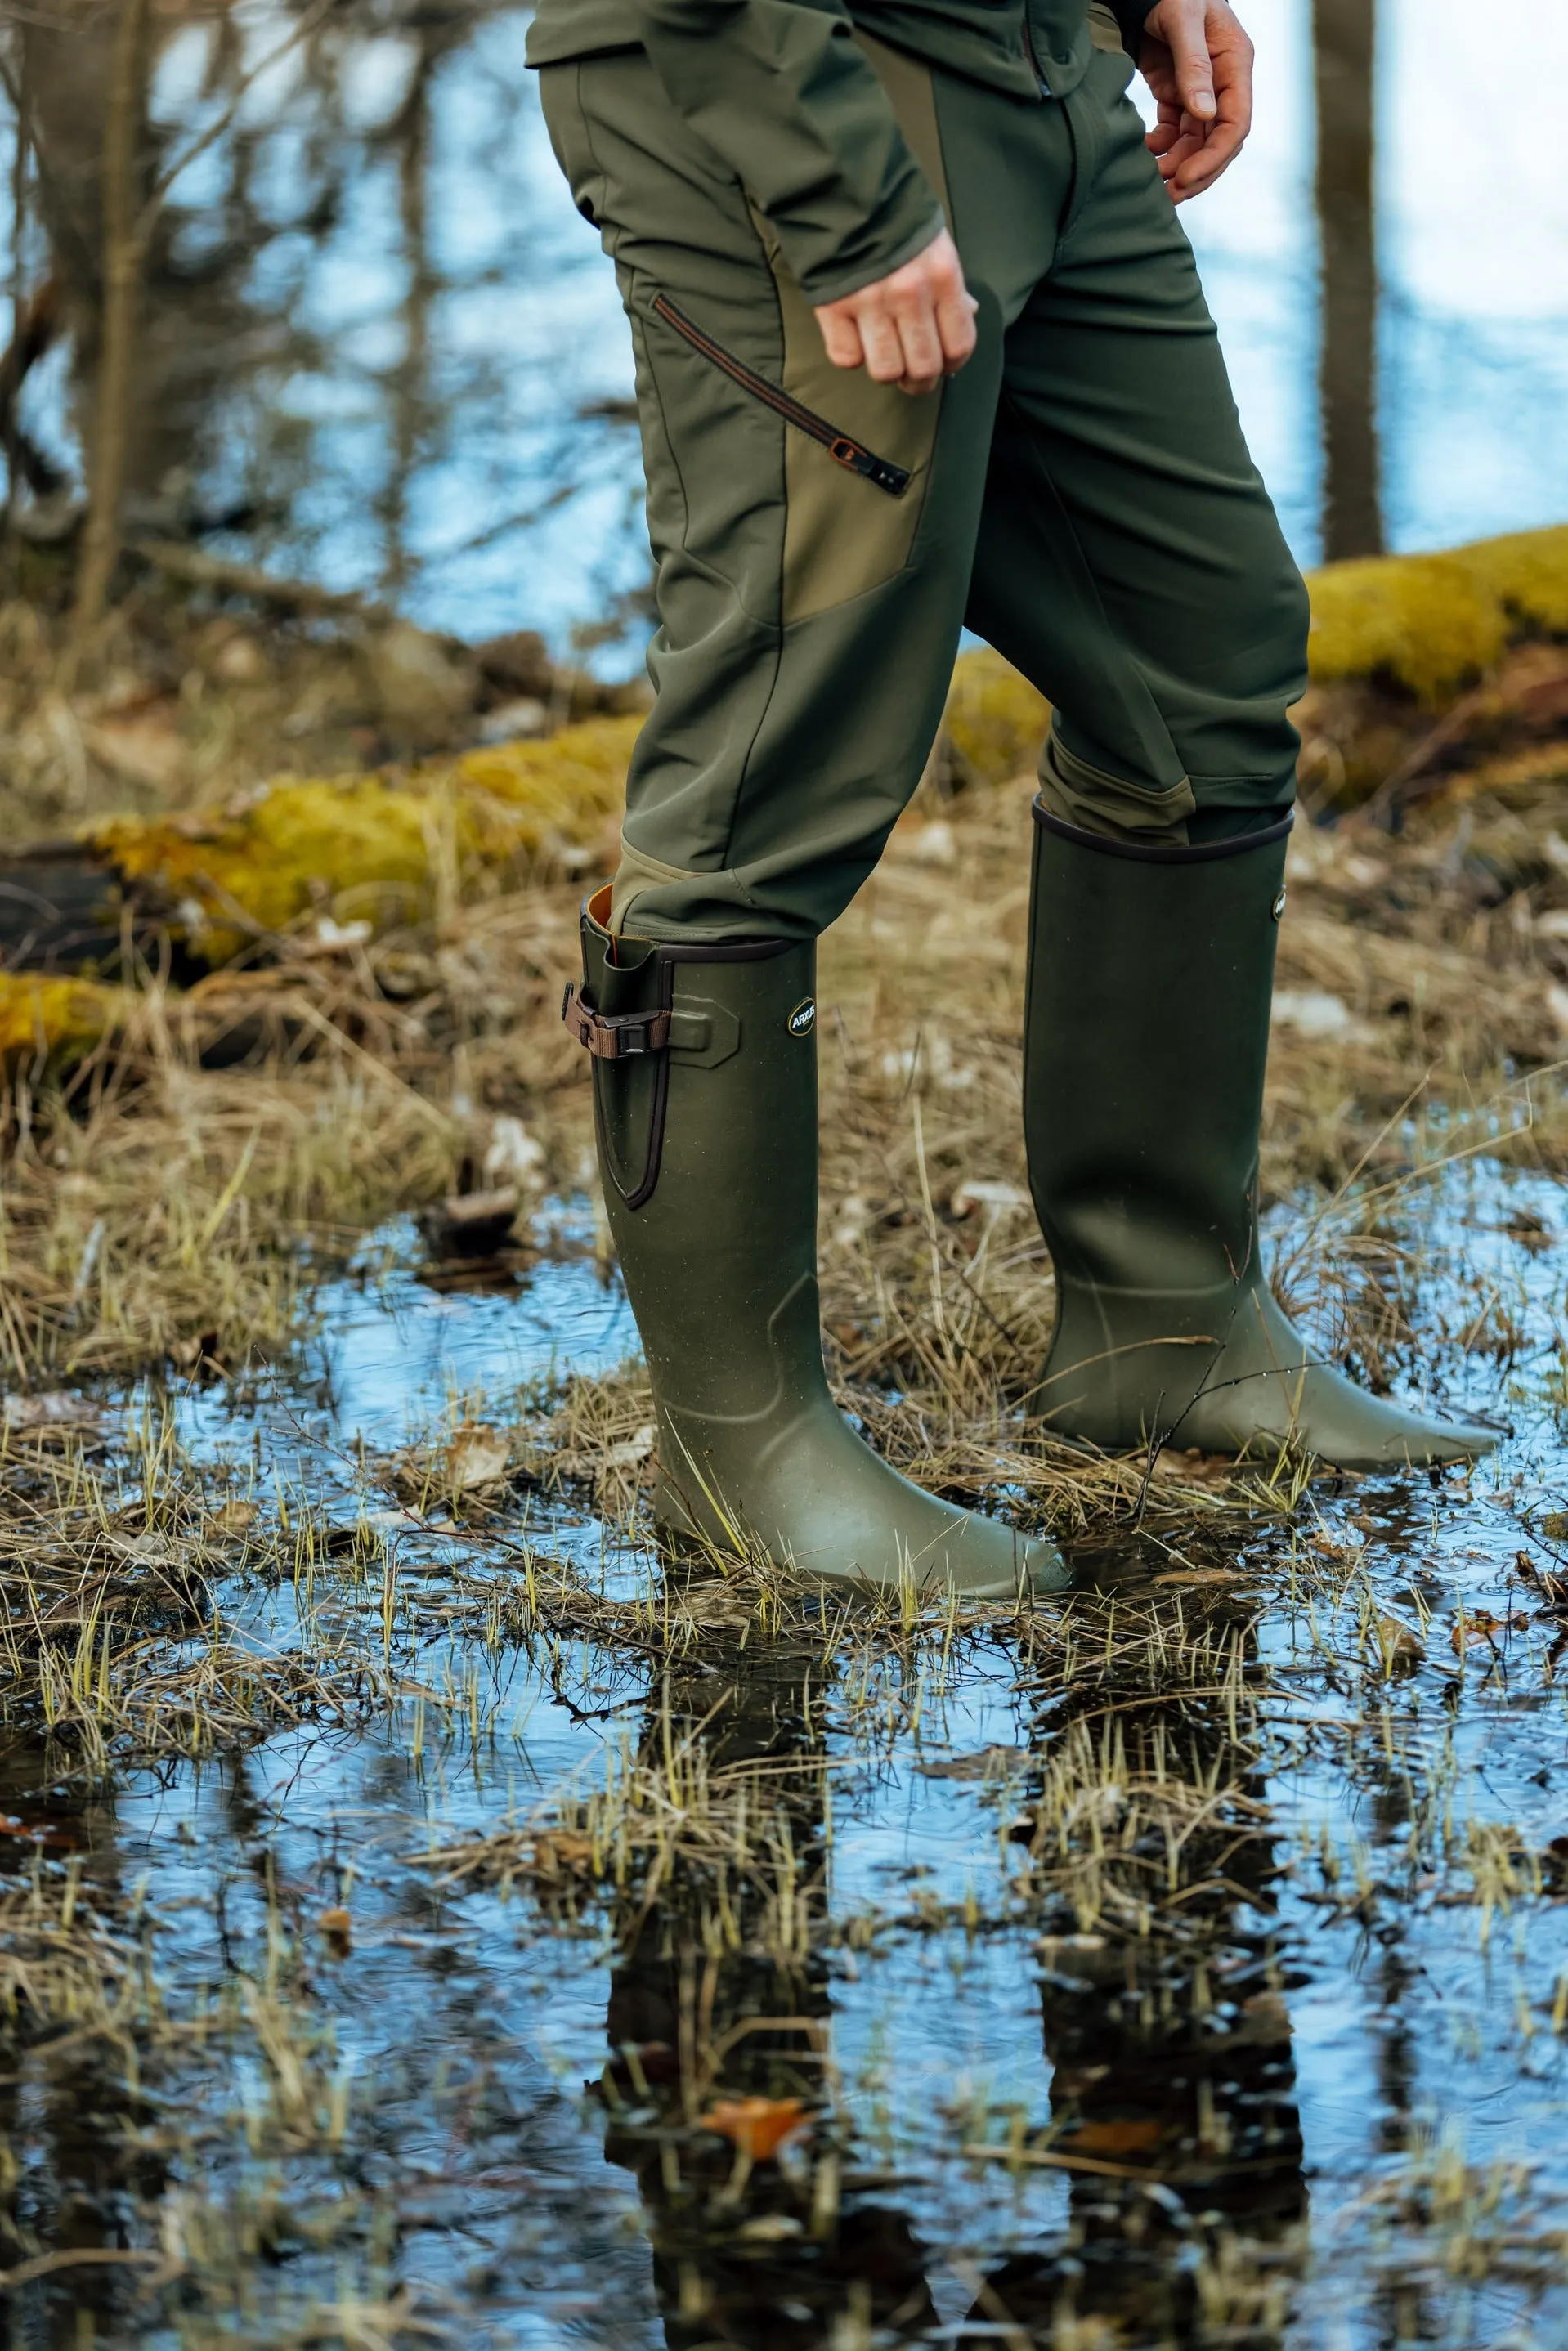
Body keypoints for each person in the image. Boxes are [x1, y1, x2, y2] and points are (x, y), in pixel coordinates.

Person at [532, 0, 1494, 1601]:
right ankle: (739, 1446)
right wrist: (837, 189)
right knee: (779, 745)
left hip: (1032, 65)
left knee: (1198, 665)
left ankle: (1160, 1320)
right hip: (781, 69)